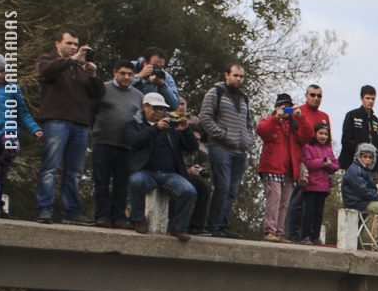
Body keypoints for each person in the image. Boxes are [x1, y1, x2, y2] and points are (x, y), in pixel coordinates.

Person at [33, 28, 103, 224]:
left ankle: (71, 213)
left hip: (80, 124)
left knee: (74, 171)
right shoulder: (46, 59)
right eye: (69, 43)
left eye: (75, 44)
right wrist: (72, 61)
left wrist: (93, 74)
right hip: (56, 120)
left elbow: (97, 94)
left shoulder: (80, 67)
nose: (73, 47)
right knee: (50, 168)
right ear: (57, 43)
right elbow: (46, 71)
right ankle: (44, 210)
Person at [123, 92, 198, 241]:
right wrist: (155, 128)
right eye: (155, 108)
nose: (159, 112)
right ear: (145, 107)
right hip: (145, 171)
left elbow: (192, 147)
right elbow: (134, 141)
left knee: (189, 191)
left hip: (169, 173)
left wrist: (186, 130)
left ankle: (178, 227)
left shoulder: (172, 128)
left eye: (161, 109)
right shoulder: (134, 125)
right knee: (136, 182)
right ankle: (138, 219)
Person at [196, 62, 252, 236]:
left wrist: (248, 139)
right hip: (221, 148)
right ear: (226, 75)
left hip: (239, 150)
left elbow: (248, 122)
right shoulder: (215, 93)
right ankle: (213, 225)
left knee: (232, 191)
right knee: (223, 187)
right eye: (235, 75)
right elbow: (204, 118)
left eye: (241, 76)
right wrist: (221, 134)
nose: (238, 79)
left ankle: (223, 226)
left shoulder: (243, 98)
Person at [90, 60, 143, 228]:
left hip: (126, 147)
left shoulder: (138, 96)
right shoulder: (103, 89)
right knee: (101, 182)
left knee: (122, 184)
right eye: (123, 73)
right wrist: (95, 131)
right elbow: (91, 112)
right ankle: (102, 216)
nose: (126, 77)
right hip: (103, 142)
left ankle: (119, 217)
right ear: (115, 72)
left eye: (130, 74)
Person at [0, 55, 41, 217]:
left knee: (10, 147)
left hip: (7, 132)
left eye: (2, 71)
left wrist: (34, 128)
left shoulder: (12, 89)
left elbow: (23, 113)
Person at [285, 84, 330, 240]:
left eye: (319, 96)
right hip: (301, 159)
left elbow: (328, 143)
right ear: (306, 95)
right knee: (297, 198)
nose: (316, 98)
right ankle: (292, 234)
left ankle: (310, 235)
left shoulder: (324, 116)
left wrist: (328, 164)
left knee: (314, 205)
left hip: (319, 166)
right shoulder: (299, 111)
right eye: (313, 95)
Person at [254, 92, 300, 243]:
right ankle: (269, 231)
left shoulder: (293, 125)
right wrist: (276, 117)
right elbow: (262, 131)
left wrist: (301, 117)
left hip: (288, 168)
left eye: (288, 107)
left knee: (285, 201)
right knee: (274, 198)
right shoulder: (270, 120)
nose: (286, 110)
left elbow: (307, 135)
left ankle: (279, 232)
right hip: (272, 166)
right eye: (283, 106)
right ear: (277, 107)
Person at [297, 121, 339, 245]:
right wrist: (322, 162)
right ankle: (305, 236)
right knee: (308, 212)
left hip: (324, 187)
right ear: (315, 134)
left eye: (326, 134)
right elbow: (308, 163)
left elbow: (336, 165)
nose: (323, 136)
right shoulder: (308, 147)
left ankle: (315, 236)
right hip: (311, 185)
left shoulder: (328, 149)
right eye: (321, 133)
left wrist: (329, 164)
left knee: (318, 214)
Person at [337, 85, 378, 171]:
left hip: (370, 164)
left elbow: (375, 141)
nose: (371, 101)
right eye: (367, 98)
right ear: (361, 98)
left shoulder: (375, 119)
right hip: (352, 163)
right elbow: (345, 140)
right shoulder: (352, 115)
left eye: (373, 99)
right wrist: (361, 150)